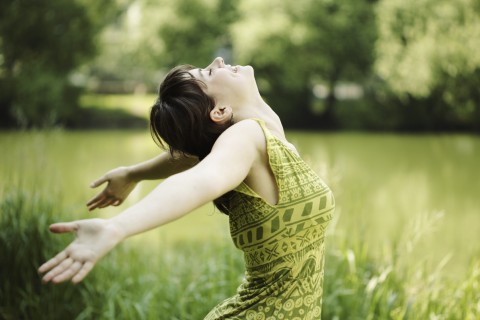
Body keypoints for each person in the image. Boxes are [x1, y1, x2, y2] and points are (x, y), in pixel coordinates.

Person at [38, 57, 335, 319]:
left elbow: (192, 156)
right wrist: (116, 227)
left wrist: (133, 173)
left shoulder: (266, 133)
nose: (218, 61)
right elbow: (203, 177)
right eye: (207, 73)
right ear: (219, 110)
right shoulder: (247, 136)